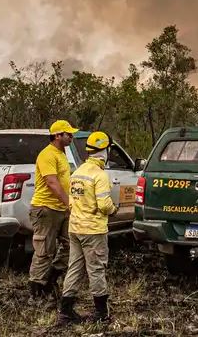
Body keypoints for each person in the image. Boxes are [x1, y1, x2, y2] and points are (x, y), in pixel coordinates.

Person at [58, 131, 117, 324]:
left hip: (75, 228)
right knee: (96, 269)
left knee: (74, 267)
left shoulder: (78, 172)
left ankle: (65, 311)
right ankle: (101, 312)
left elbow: (73, 202)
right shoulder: (100, 175)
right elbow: (104, 205)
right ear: (104, 151)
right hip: (93, 231)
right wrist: (113, 209)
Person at [28, 120, 79, 298]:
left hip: (61, 209)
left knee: (71, 246)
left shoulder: (62, 154)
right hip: (46, 209)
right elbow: (52, 182)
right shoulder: (47, 155)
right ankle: (36, 291)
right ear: (57, 135)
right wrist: (69, 203)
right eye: (68, 134)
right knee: (44, 252)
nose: (71, 137)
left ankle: (51, 279)